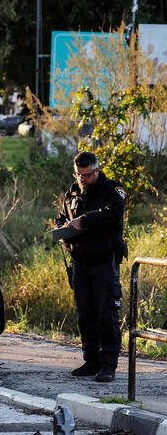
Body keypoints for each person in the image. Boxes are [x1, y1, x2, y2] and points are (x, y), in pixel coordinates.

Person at [55, 151, 127, 383]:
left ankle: (108, 364)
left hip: (103, 262)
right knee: (85, 314)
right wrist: (63, 227)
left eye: (86, 175)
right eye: (78, 175)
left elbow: (113, 215)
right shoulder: (72, 193)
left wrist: (83, 220)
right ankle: (91, 359)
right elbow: (61, 217)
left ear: (96, 170)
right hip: (80, 262)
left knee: (106, 313)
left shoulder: (112, 190)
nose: (82, 179)